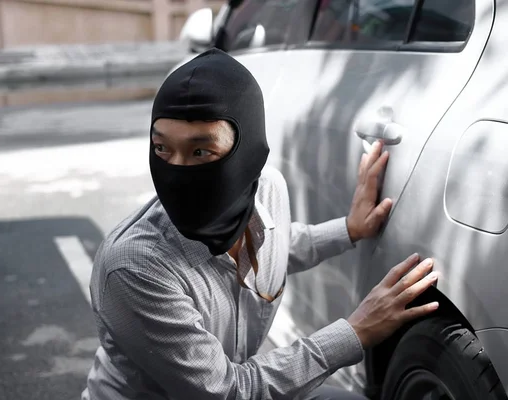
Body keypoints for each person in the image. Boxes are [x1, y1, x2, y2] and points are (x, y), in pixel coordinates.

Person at [81, 48, 439, 400]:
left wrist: (348, 229)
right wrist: (356, 331)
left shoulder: (265, 189)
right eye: (162, 149)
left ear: (248, 152)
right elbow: (230, 392)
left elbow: (276, 243)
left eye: (201, 151)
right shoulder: (134, 268)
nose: (176, 172)